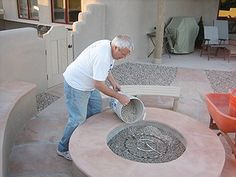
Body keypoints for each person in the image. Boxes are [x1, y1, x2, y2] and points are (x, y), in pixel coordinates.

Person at [57, 35, 134, 160]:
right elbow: (98, 84)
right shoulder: (102, 56)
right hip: (76, 85)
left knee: (95, 111)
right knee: (77, 118)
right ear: (116, 47)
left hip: (88, 84)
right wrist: (119, 96)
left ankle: (83, 136)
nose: (123, 58)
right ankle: (63, 148)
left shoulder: (108, 45)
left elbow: (106, 69)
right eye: (123, 54)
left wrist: (113, 82)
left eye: (126, 55)